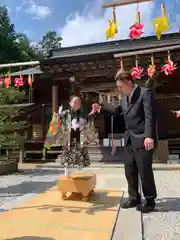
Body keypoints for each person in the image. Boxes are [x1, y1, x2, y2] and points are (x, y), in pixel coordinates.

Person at [90, 71, 157, 213]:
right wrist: (100, 108)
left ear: (129, 82)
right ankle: (134, 198)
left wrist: (149, 136)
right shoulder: (124, 99)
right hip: (129, 140)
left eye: (120, 86)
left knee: (145, 171)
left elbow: (150, 116)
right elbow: (116, 111)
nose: (119, 89)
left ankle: (150, 200)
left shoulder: (145, 93)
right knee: (129, 170)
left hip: (143, 138)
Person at [54, 95, 99, 168]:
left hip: (80, 137)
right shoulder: (65, 113)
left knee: (80, 159)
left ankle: (79, 172)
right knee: (67, 159)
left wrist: (93, 112)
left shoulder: (83, 113)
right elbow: (58, 122)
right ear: (70, 103)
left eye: (79, 102)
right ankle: (67, 173)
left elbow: (88, 120)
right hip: (68, 137)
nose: (77, 104)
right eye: (75, 102)